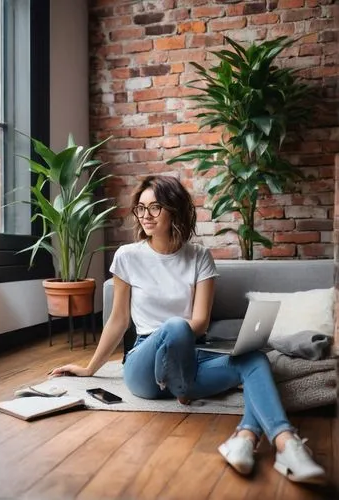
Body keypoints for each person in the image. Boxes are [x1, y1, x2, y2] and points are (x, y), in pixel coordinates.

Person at [50, 175, 325, 484]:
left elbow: (200, 323)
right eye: (141, 208)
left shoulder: (199, 257)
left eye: (155, 207)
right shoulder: (128, 256)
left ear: (175, 210)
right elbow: (118, 321)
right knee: (174, 326)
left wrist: (181, 365)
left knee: (255, 360)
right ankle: (184, 389)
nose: (147, 215)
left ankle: (268, 441)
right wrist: (89, 368)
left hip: (188, 356)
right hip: (145, 365)